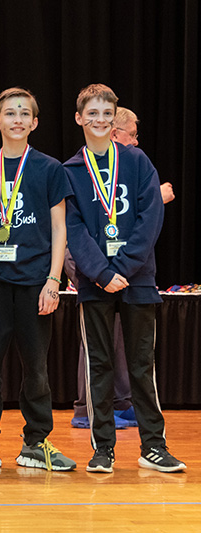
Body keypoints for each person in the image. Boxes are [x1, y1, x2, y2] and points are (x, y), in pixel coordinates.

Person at [0, 88, 76, 472]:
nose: (17, 119)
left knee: (36, 366)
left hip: (35, 280)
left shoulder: (50, 169)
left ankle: (37, 443)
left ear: (35, 123)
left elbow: (60, 227)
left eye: (25, 113)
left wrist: (54, 280)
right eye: (10, 113)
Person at [64, 83, 185, 473]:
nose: (100, 120)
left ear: (114, 120)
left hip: (137, 280)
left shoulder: (136, 162)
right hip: (95, 282)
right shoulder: (70, 171)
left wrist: (124, 268)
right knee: (98, 366)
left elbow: (151, 217)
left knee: (140, 366)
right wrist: (101, 272)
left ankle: (153, 446)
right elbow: (74, 227)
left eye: (106, 114)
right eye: (92, 114)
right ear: (80, 118)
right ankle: (103, 449)